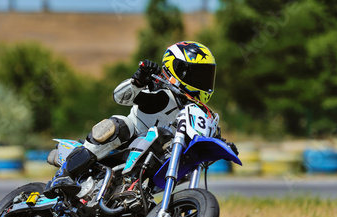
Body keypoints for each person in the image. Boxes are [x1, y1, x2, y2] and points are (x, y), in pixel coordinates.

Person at [43, 41, 218, 198]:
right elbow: (119, 97)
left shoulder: (198, 111)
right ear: (176, 69)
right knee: (117, 125)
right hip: (133, 136)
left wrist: (219, 145)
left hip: (159, 155)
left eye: (206, 75)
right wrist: (139, 80)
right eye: (196, 74)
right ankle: (65, 175)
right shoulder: (161, 90)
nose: (202, 81)